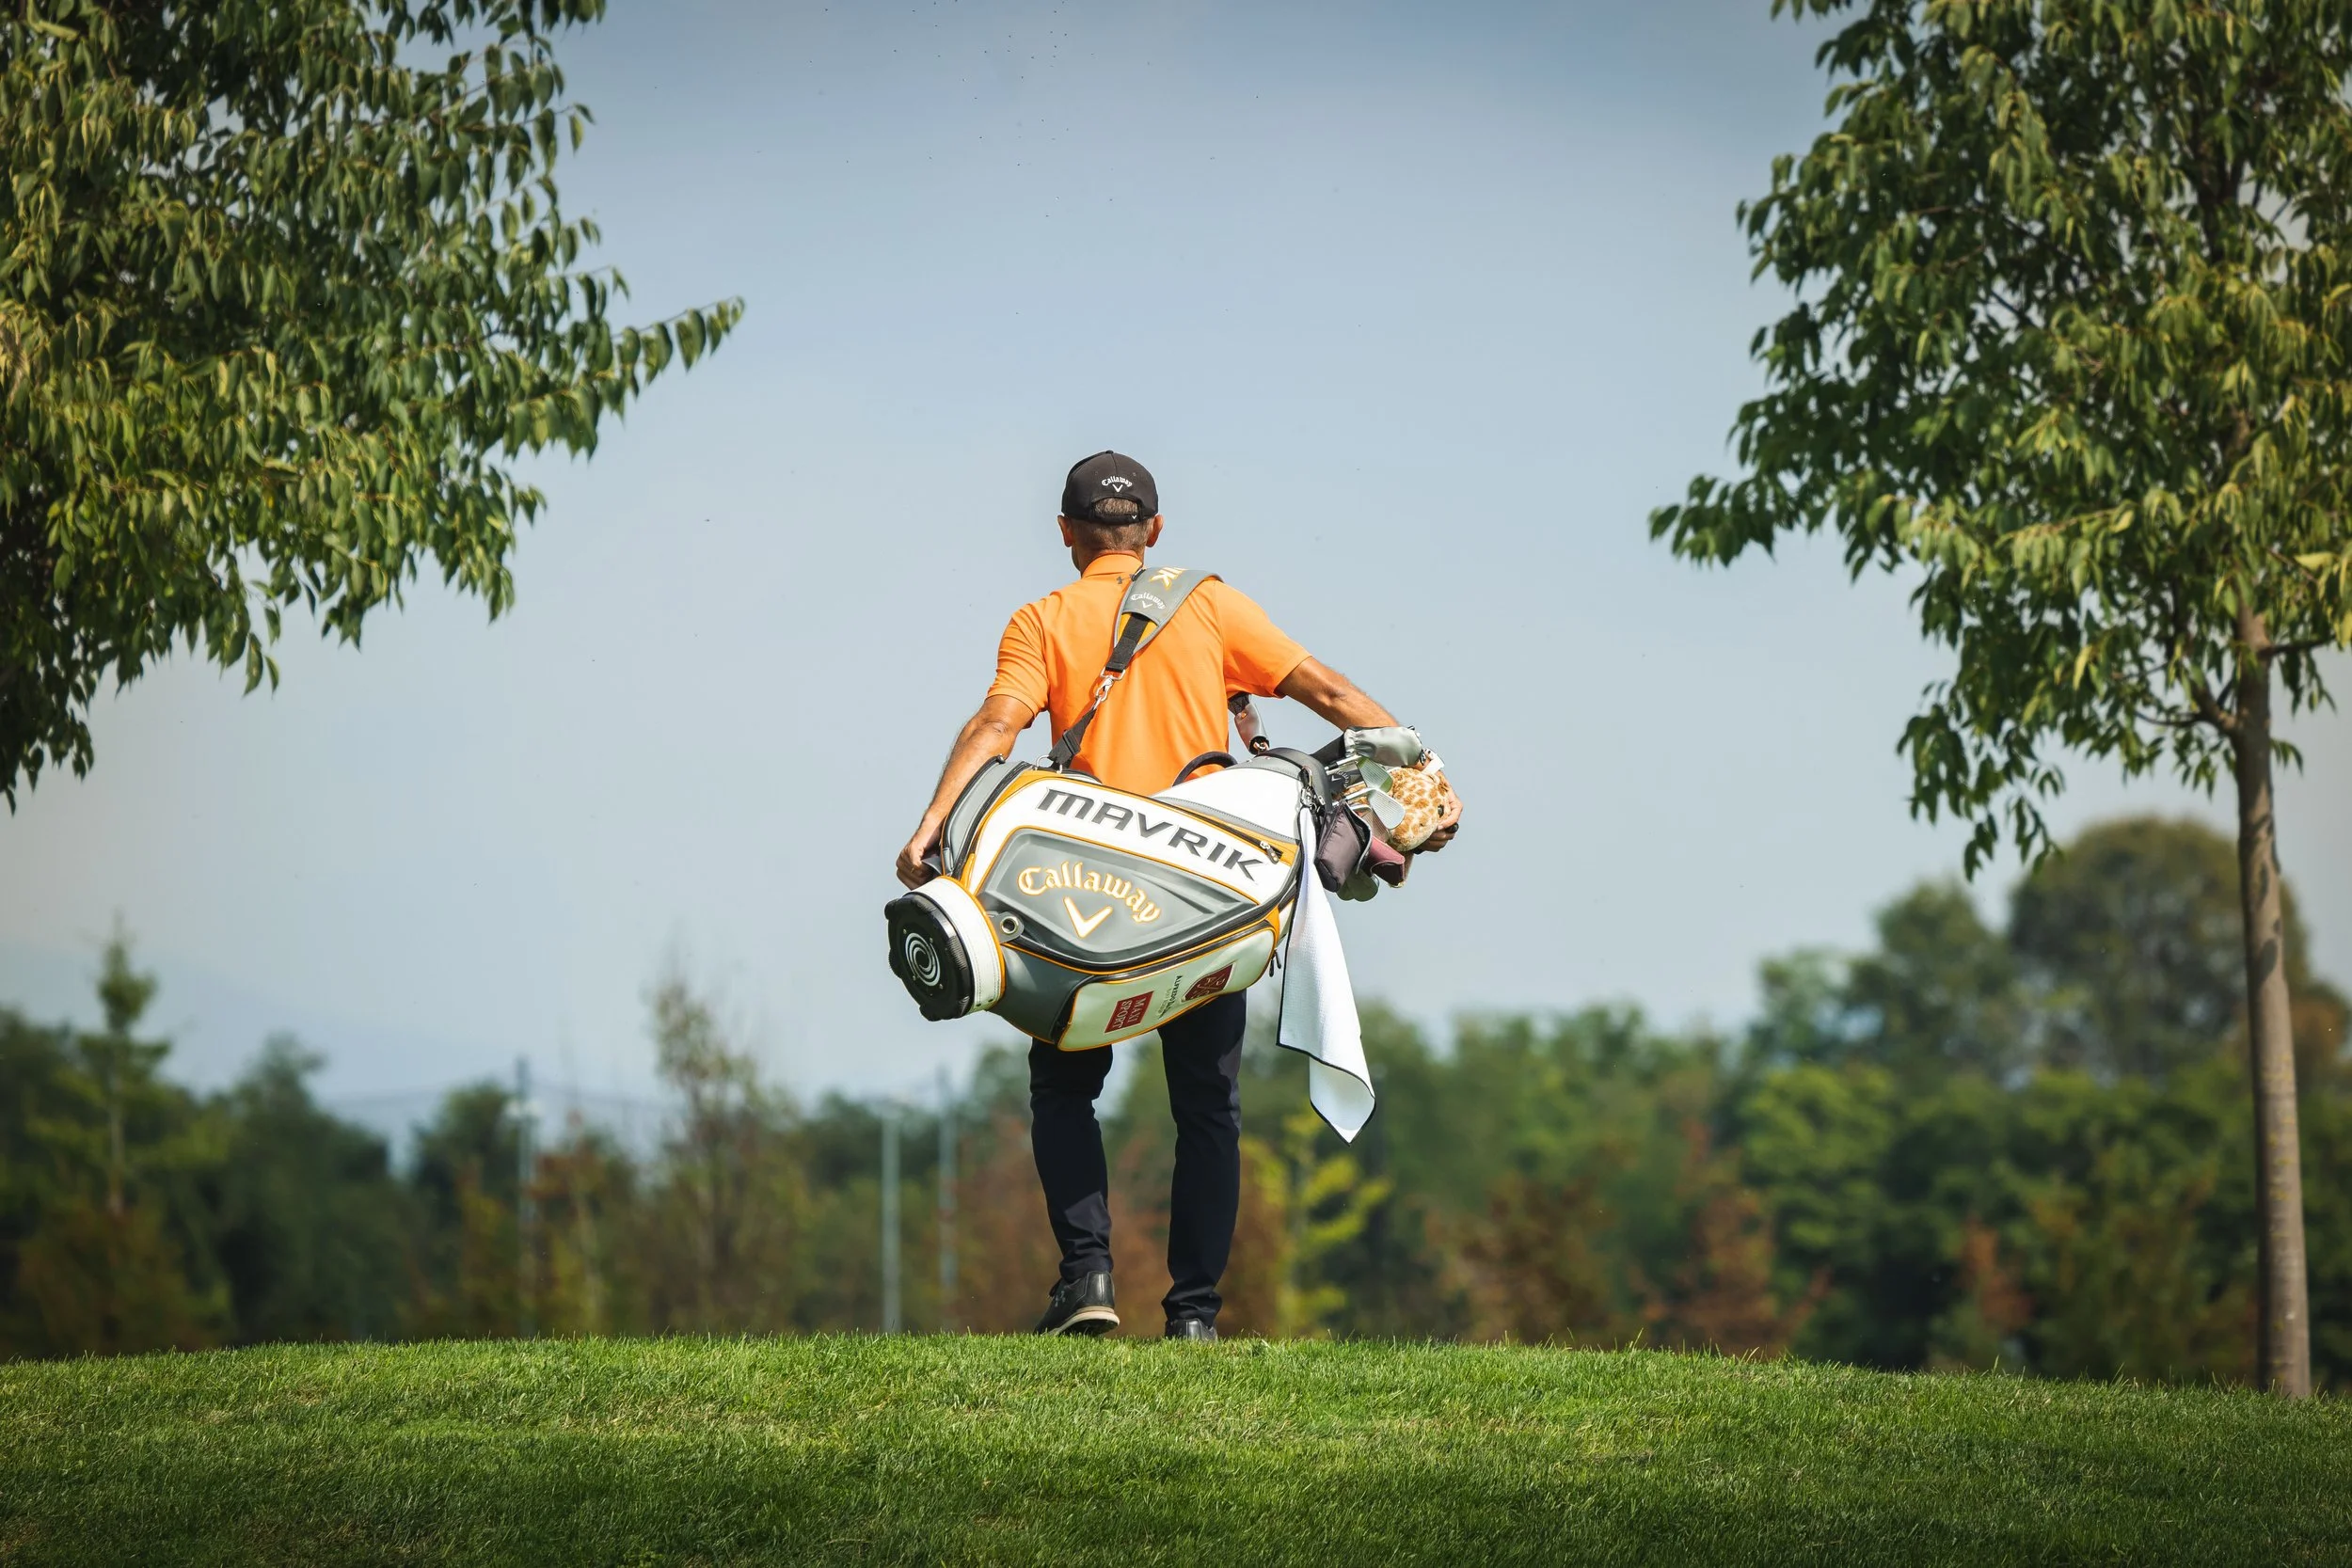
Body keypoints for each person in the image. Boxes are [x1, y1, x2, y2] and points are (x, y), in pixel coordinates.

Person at [894, 451, 1451, 1341]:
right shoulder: (1209, 604)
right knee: (1208, 1107)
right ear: (1154, 533)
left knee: (1064, 1085)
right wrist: (1421, 770)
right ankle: (1193, 1314)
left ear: (1068, 534)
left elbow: (998, 724)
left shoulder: (1042, 619)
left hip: (1082, 895)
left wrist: (931, 821)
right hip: (1203, 891)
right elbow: (1332, 694)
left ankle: (1087, 1276)